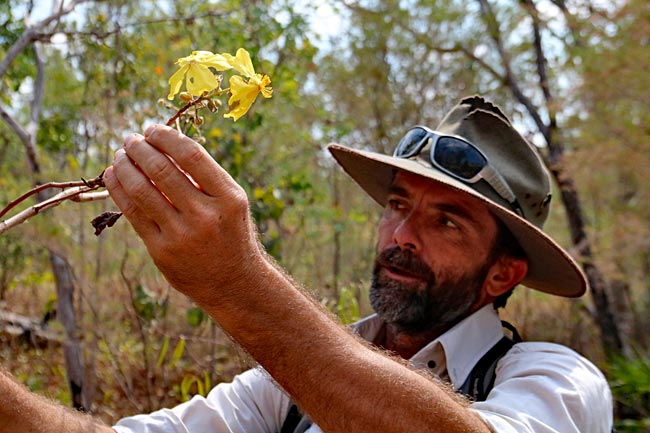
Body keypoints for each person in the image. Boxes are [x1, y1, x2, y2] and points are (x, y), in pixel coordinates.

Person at [0, 96, 613, 433]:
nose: (401, 235)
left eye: (446, 221)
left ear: (504, 273)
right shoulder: (283, 387)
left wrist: (240, 284)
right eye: (397, 205)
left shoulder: (558, 382)